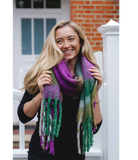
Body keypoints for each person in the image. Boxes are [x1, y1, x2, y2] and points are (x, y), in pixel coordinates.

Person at [17, 20, 103, 160]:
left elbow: (95, 127)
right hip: (42, 152)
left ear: (80, 42)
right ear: (54, 45)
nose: (66, 45)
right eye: (59, 41)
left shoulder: (89, 75)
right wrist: (41, 94)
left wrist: (95, 91)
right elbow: (23, 116)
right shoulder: (44, 72)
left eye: (71, 39)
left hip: (75, 153)